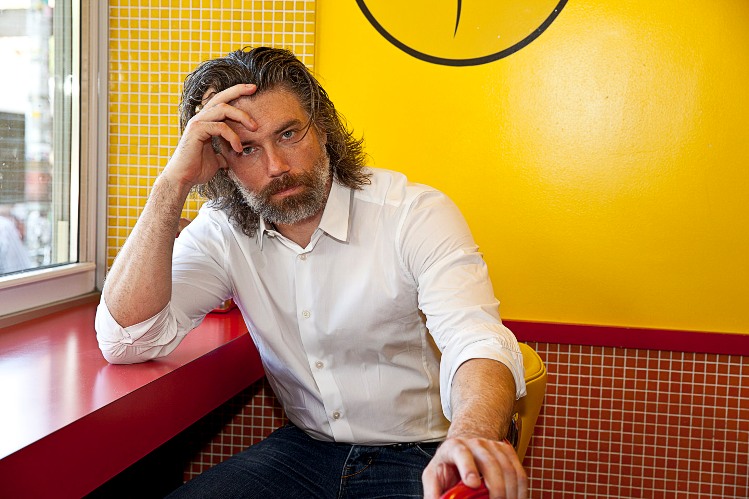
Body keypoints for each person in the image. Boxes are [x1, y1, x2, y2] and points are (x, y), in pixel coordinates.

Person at [95, 46, 528, 499]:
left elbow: (475, 339)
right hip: (305, 452)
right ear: (221, 160)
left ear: (321, 126)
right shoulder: (223, 230)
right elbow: (127, 339)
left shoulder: (413, 214)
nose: (277, 167)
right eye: (246, 149)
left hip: (420, 453)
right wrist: (172, 183)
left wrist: (470, 435)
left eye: (288, 135)